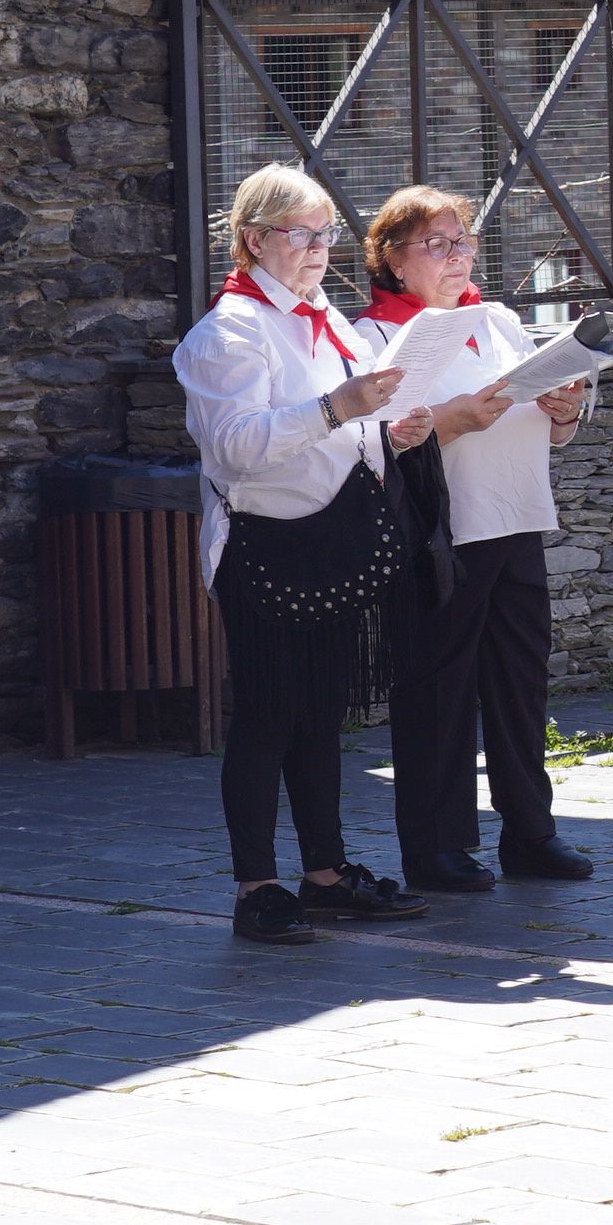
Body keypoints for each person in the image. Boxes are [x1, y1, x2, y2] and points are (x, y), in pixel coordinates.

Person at [174, 164, 432, 945]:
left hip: (331, 540)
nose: (320, 249)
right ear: (254, 241)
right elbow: (236, 446)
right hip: (265, 547)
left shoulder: (324, 318)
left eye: (326, 233)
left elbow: (348, 423)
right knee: (265, 719)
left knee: (321, 717)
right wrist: (337, 408)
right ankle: (257, 887)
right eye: (301, 234)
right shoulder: (229, 331)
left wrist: (388, 433)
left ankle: (324, 874)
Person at [359, 185, 596, 895]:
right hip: (441, 532)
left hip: (518, 515)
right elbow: (376, 444)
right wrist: (451, 420)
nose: (457, 255)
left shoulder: (494, 318)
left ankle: (531, 831)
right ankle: (436, 845)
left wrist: (564, 407)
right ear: (395, 260)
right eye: (437, 244)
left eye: (462, 241)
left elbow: (547, 422)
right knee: (440, 691)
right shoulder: (376, 336)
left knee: (521, 687)